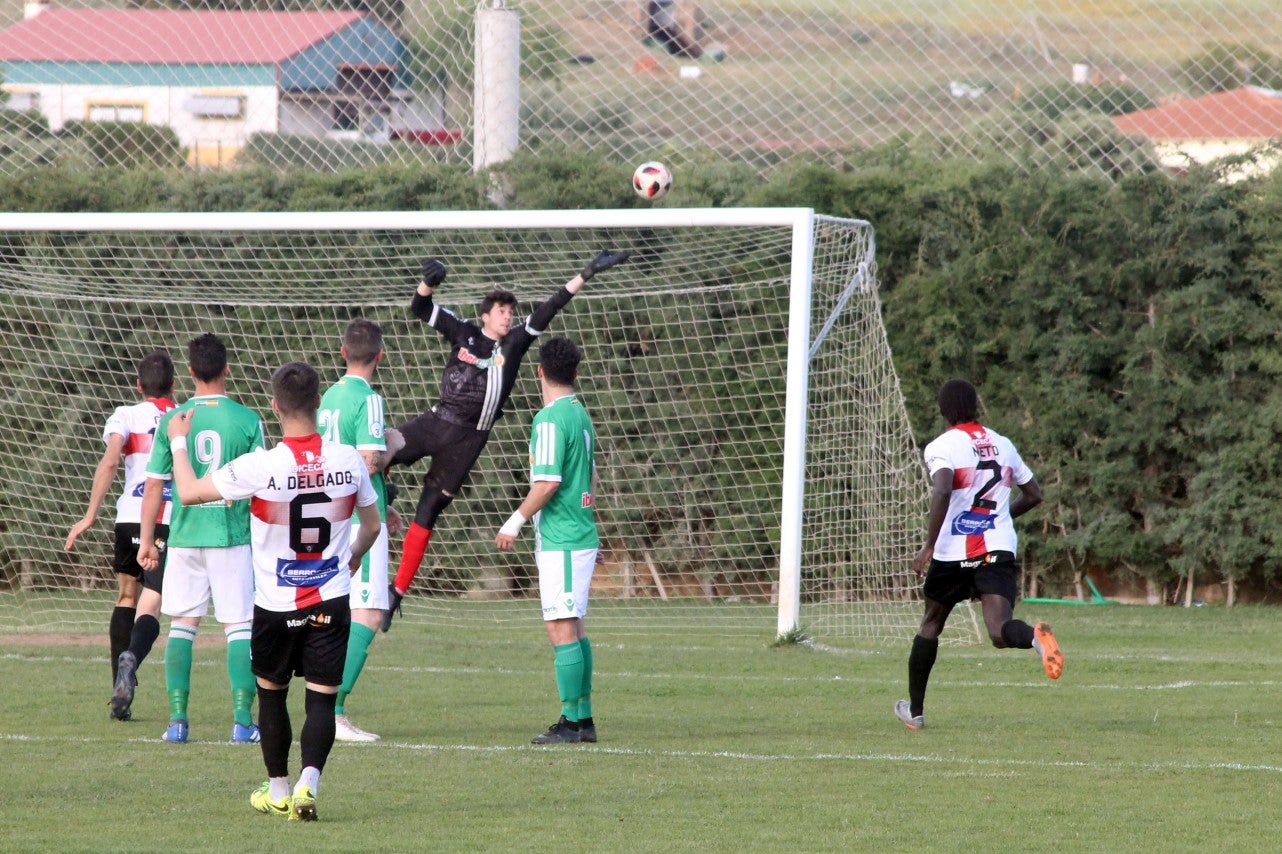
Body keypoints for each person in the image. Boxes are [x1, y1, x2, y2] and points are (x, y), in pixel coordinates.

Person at [165, 360, 380, 822]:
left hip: (276, 605)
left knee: (272, 696)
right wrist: (355, 554)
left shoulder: (259, 466)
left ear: (275, 405)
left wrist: (178, 441)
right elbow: (373, 524)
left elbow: (185, 492)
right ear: (319, 403)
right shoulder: (348, 461)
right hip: (331, 597)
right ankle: (309, 784)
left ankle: (279, 788)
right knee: (321, 699)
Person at [383, 250, 628, 631]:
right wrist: (428, 282)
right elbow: (420, 305)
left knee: (428, 510)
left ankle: (395, 593)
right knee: (379, 452)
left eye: (511, 311)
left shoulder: (515, 344)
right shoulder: (462, 331)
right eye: (501, 310)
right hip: (435, 421)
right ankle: (377, 498)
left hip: (467, 440)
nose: (508, 315)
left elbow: (551, 307)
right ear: (485, 315)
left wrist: (585, 274)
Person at [895, 378, 1063, 732]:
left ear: (943, 409)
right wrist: (999, 517)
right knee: (1000, 631)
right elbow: (1034, 494)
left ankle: (916, 711)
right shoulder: (1002, 443)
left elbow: (942, 489)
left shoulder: (942, 446)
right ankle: (1035, 638)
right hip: (997, 546)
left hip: (953, 550)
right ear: (975, 406)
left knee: (931, 625)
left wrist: (928, 546)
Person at [138, 333, 265, 744]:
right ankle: (243, 722)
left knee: (181, 626)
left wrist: (146, 541)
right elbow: (261, 486)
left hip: (186, 536)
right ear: (227, 368)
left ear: (190, 372)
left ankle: (177, 721)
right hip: (231, 536)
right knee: (239, 628)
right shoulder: (247, 420)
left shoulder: (173, 420)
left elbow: (154, 485)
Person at [496, 337, 599, 744]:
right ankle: (583, 719)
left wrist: (515, 520)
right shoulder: (581, 413)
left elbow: (549, 481)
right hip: (574, 534)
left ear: (539, 371)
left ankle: (572, 723)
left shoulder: (550, 419)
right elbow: (589, 477)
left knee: (561, 626)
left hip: (564, 537)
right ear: (575, 372)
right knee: (573, 625)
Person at [63, 351, 177, 718]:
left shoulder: (125, 414)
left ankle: (119, 696)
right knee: (157, 603)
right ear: (174, 386)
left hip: (130, 515)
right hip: (172, 517)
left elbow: (111, 460)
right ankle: (134, 665)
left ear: (139, 385)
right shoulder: (185, 414)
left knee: (127, 597)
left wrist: (89, 515)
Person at [317, 318, 404, 742]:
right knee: (368, 612)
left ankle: (324, 705)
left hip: (326, 514)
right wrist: (391, 448)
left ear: (342, 352)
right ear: (380, 356)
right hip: (356, 518)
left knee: (337, 611)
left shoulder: (326, 397)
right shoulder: (369, 400)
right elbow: (368, 461)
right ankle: (332, 710)